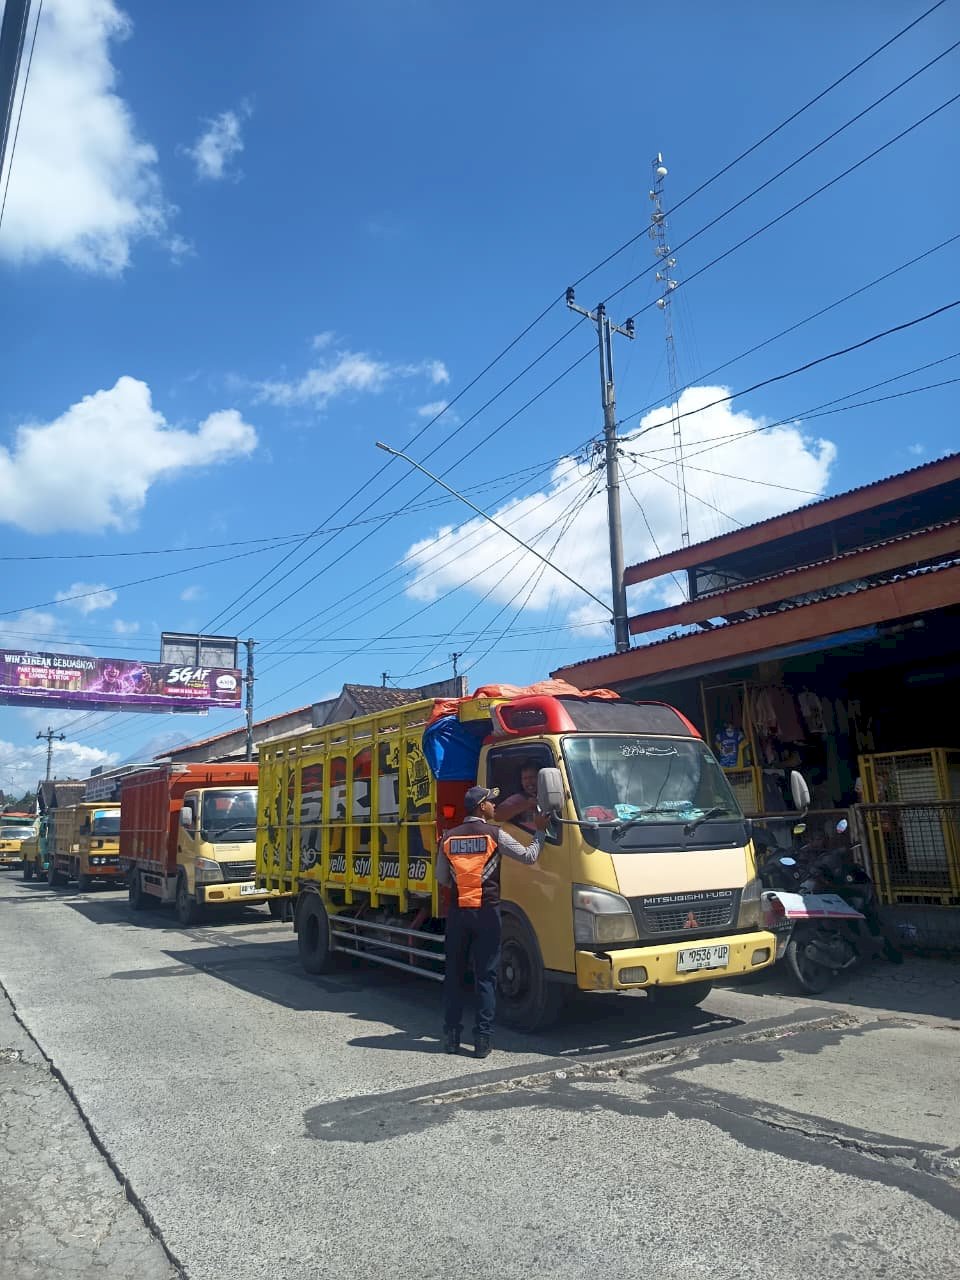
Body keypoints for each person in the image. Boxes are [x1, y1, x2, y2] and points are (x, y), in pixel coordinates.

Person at [436, 785, 550, 1059]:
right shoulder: (496, 834)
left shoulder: (449, 838)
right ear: (480, 807)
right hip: (487, 913)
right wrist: (540, 830)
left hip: (459, 913)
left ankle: (452, 1037)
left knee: (454, 975)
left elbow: (441, 878)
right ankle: (482, 1041)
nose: (494, 806)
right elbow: (529, 855)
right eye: (490, 802)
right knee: (485, 976)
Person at [494, 760, 541, 827]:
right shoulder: (518, 798)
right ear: (521, 782)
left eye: (532, 777)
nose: (528, 781)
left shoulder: (551, 796)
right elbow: (497, 816)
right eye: (525, 778)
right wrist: (527, 804)